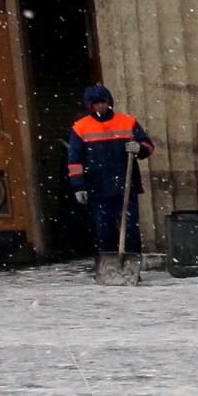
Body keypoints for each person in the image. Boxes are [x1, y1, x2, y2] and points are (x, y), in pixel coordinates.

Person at [64, 83, 152, 283]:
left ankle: (132, 267)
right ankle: (110, 266)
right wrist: (78, 186)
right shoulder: (81, 128)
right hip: (98, 188)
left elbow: (148, 145)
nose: (101, 107)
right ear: (90, 106)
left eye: (103, 102)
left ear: (109, 102)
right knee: (104, 229)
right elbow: (75, 159)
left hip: (126, 186)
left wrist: (139, 147)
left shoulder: (127, 122)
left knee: (129, 228)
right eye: (96, 104)